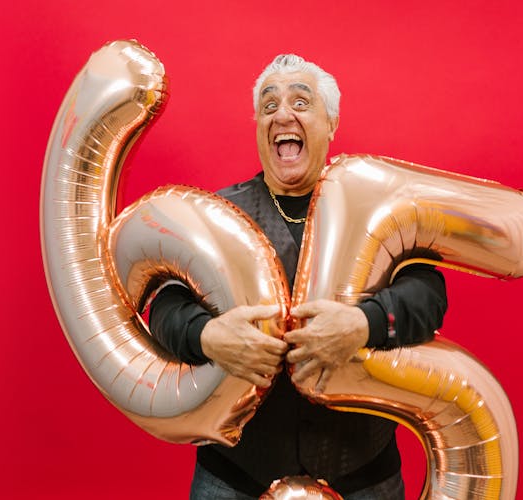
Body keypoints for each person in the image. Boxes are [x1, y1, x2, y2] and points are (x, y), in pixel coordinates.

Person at [149, 54, 447, 499]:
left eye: (300, 102)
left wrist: (363, 323)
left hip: (364, 475)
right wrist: (209, 336)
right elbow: (166, 308)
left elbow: (428, 295)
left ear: (332, 123)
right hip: (233, 476)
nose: (282, 114)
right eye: (268, 106)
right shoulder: (216, 216)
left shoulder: (378, 211)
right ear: (257, 129)